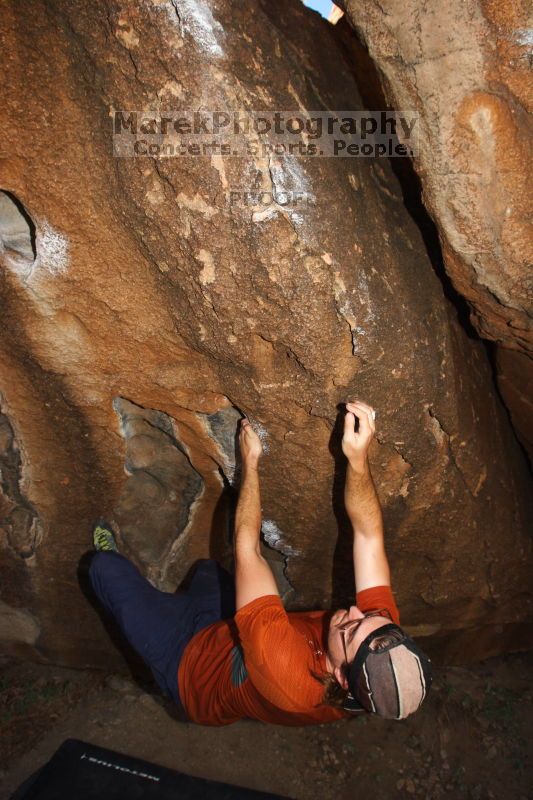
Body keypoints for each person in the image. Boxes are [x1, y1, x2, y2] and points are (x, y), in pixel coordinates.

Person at [89, 400, 432, 725]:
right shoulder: (378, 639)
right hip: (226, 629)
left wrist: (249, 464)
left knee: (103, 568)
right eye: (369, 616)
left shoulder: (285, 674)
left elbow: (247, 550)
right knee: (207, 572)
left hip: (186, 668)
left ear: (341, 676)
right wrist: (358, 459)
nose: (355, 612)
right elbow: (369, 537)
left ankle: (152, 663)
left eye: (350, 630)